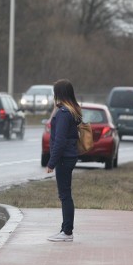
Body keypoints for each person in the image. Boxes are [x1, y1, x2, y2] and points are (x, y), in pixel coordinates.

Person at [46, 79, 82, 242]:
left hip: (63, 158)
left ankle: (67, 232)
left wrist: (51, 163)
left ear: (59, 94)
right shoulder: (72, 111)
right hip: (70, 156)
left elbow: (59, 141)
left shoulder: (63, 114)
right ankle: (65, 230)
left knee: (65, 195)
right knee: (66, 194)